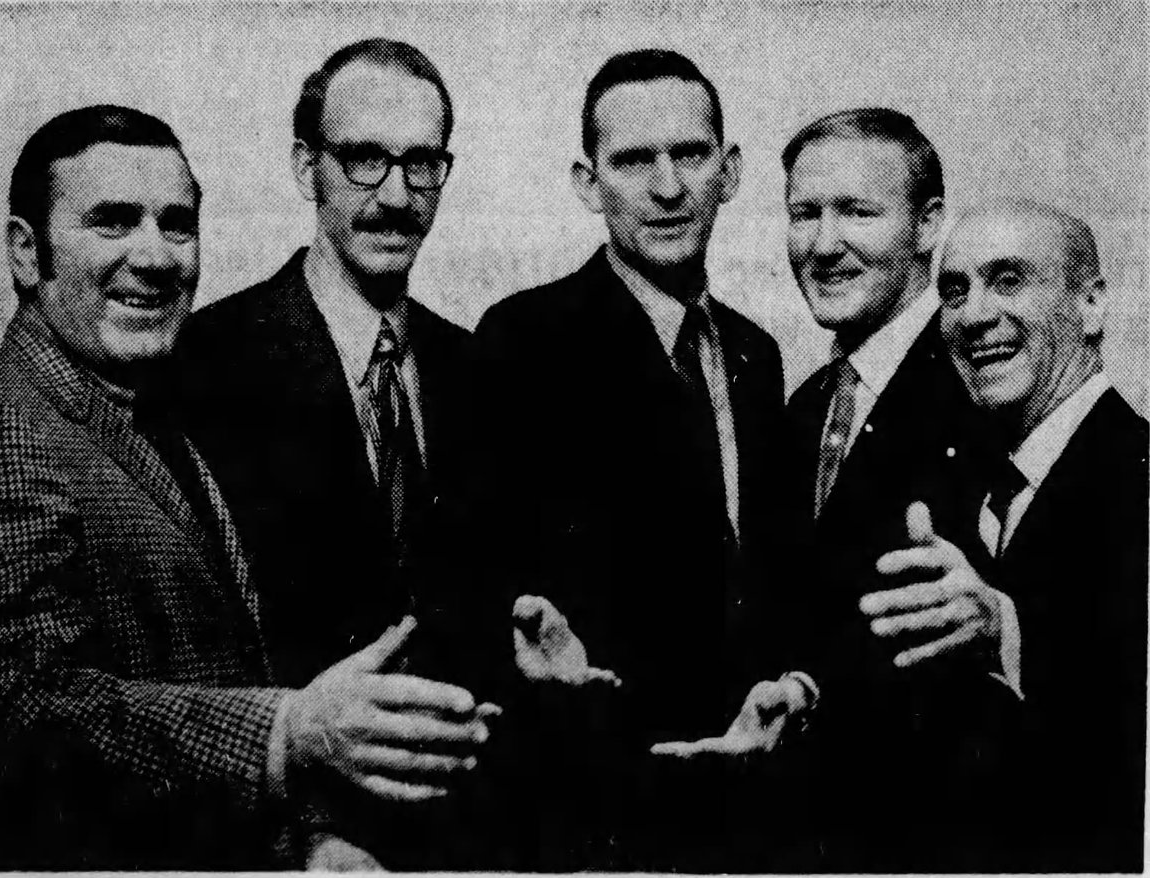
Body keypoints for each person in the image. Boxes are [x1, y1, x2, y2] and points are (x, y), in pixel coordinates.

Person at [0, 105, 497, 871]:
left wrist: (311, 843)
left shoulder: (149, 417)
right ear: (24, 250)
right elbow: (10, 717)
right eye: (113, 222)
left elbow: (206, 684)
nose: (156, 257)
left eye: (178, 225)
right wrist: (287, 731)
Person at [651, 108, 1003, 870]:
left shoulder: (988, 386)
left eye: (857, 212)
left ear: (928, 224)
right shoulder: (804, 404)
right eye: (804, 213)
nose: (823, 243)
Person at [465, 48, 787, 869]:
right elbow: (480, 581)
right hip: (594, 818)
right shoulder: (524, 340)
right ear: (588, 183)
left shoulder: (756, 354)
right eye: (634, 160)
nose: (667, 187)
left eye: (691, 154)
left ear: (731, 171)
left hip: (749, 801)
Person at [172, 39, 472, 690]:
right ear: (307, 168)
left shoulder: (474, 365)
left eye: (422, 163)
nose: (397, 196)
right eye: (364, 160)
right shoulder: (208, 358)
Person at [892, 199, 1145, 870]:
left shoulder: (1140, 482)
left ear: (1091, 305)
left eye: (1008, 280)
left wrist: (1005, 631)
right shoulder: (955, 494)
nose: (973, 315)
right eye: (954, 291)